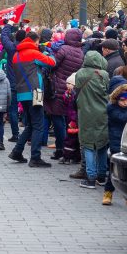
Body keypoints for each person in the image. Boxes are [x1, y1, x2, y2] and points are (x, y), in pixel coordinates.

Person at [8, 32, 56, 167]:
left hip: (22, 93)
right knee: (39, 125)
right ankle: (35, 157)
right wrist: (48, 52)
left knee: (31, 124)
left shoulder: (16, 55)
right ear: (35, 41)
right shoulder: (33, 53)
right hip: (35, 93)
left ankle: (17, 151)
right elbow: (52, 62)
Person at [44, 28, 83, 160]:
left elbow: (52, 64)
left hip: (58, 87)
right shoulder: (80, 52)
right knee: (67, 120)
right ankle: (69, 149)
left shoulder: (64, 49)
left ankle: (60, 148)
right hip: (70, 89)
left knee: (57, 119)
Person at [75, 51, 110, 189]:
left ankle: (90, 177)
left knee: (88, 145)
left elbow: (77, 91)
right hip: (102, 112)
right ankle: (101, 177)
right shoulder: (104, 75)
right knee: (102, 144)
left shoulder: (80, 73)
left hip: (85, 113)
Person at [103, 76, 127, 207]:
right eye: (122, 100)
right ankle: (108, 192)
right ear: (116, 98)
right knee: (115, 170)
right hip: (116, 142)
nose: (125, 103)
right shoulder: (112, 108)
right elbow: (122, 117)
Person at [0, 23, 26, 143]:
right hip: (26, 83)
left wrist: (8, 25)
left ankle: (15, 134)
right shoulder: (28, 49)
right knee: (27, 110)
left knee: (13, 110)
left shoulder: (11, 48)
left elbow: (4, 36)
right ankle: (28, 133)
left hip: (13, 83)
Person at [61, 73, 80, 164]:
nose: (67, 85)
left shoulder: (75, 96)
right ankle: (73, 156)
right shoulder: (69, 94)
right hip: (70, 119)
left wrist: (73, 120)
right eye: (67, 83)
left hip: (73, 120)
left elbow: (73, 109)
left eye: (70, 84)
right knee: (72, 139)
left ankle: (68, 156)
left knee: (71, 139)